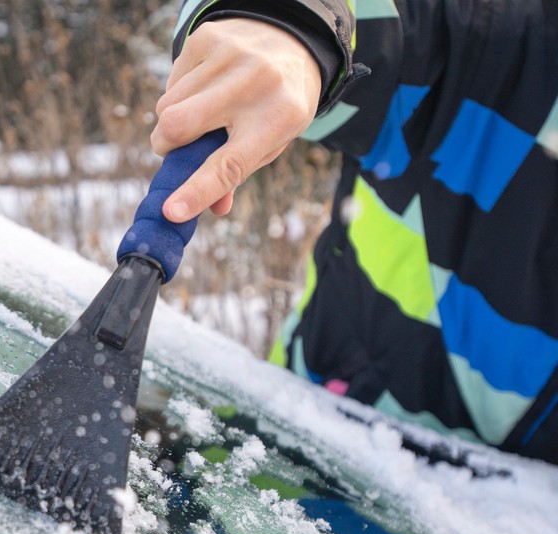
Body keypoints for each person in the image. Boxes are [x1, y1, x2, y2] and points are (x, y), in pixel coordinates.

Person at [153, 0, 557, 463]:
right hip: (299, 455)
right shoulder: (500, 41)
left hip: (515, 529)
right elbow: (390, 22)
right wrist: (292, 25)